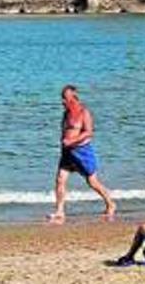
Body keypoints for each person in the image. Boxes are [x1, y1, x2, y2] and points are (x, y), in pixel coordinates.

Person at [48, 85, 116, 223]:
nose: (62, 101)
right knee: (60, 179)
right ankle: (60, 211)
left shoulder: (83, 112)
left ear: (73, 98)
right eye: (62, 98)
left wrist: (72, 140)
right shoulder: (65, 113)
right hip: (67, 152)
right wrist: (64, 144)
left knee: (92, 182)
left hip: (82, 151)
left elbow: (88, 132)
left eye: (65, 98)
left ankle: (110, 203)